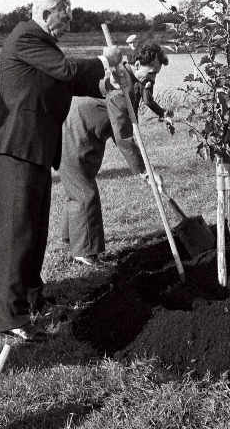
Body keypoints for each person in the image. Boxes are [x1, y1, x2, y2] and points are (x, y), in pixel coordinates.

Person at [0, 0, 122, 342]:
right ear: (47, 14)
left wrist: (106, 81)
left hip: (37, 149)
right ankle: (11, 318)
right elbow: (64, 70)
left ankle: (33, 298)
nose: (68, 26)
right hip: (17, 149)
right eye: (65, 19)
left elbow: (66, 81)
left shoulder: (43, 43)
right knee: (17, 234)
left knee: (35, 230)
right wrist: (106, 60)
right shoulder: (25, 37)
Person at [60, 39, 170, 267]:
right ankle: (84, 253)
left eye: (157, 74)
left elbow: (134, 118)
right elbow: (123, 136)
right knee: (84, 192)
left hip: (91, 135)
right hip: (75, 134)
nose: (153, 79)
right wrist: (145, 172)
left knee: (79, 187)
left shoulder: (135, 79)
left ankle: (71, 240)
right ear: (137, 63)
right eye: (151, 72)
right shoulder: (122, 85)